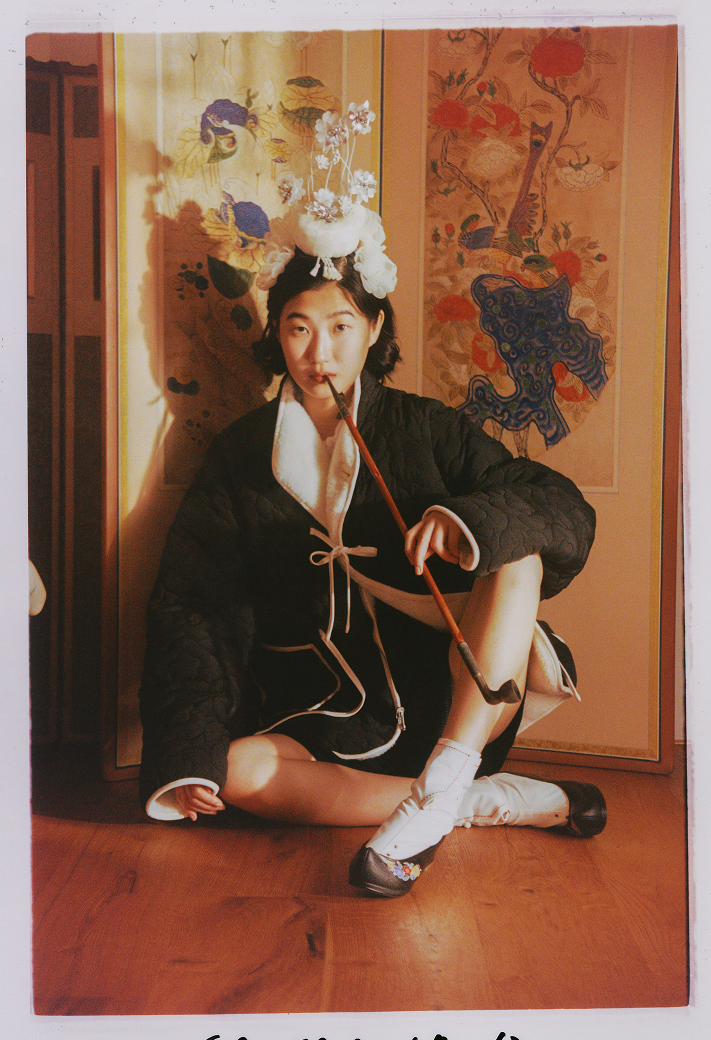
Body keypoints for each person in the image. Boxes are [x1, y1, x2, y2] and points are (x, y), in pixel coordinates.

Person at [138, 103, 605, 897]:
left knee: (515, 545)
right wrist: (186, 755)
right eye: (297, 329)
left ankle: (450, 773)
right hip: (321, 705)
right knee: (237, 771)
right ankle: (467, 805)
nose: (319, 353)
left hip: (456, 694)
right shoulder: (243, 453)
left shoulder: (426, 428)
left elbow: (559, 505)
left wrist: (464, 524)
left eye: (341, 327)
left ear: (373, 326)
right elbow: (193, 605)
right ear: (276, 334)